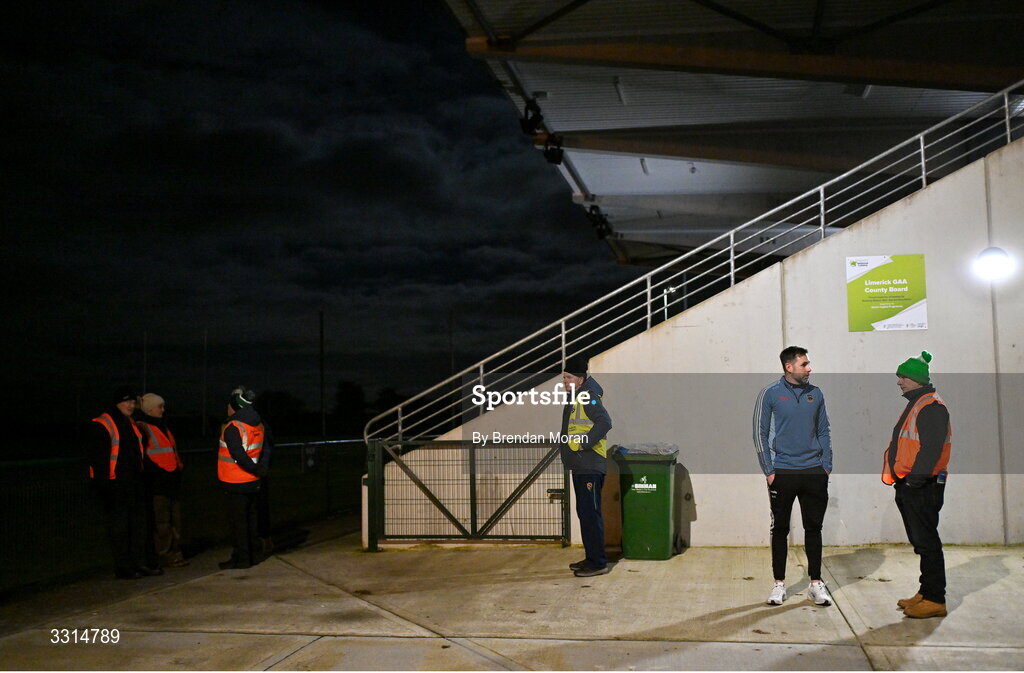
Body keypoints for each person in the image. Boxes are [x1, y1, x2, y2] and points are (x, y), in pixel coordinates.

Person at [754, 346, 833, 607]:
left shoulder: (816, 393)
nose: (809, 369)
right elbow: (759, 434)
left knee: (814, 528)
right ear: (789, 367)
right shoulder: (770, 394)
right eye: (804, 364)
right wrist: (769, 471)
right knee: (780, 529)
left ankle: (815, 583)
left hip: (813, 472)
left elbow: (824, 431)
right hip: (783, 472)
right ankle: (779, 585)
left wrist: (826, 466)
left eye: (809, 364)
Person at [883, 351, 951, 619]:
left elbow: (931, 449)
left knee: (927, 542)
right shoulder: (919, 402)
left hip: (922, 485)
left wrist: (915, 480)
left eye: (903, 377)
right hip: (912, 483)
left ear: (917, 379)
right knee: (922, 541)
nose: (899, 382)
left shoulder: (931, 406)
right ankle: (926, 592)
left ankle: (936, 599)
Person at [87, 386, 163, 579]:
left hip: (134, 484)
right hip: (116, 486)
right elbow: (98, 460)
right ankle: (125, 568)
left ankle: (140, 564)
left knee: (138, 527)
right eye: (126, 401)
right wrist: (103, 487)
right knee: (120, 530)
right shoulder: (103, 424)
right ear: (117, 403)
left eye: (132, 402)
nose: (131, 405)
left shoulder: (131, 423)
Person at [559, 357, 613, 578]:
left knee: (590, 513)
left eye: (568, 377)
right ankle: (592, 558)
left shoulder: (588, 397)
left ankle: (598, 562)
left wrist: (584, 443)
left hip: (589, 464)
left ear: (580, 379)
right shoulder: (577, 396)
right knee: (585, 513)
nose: (564, 381)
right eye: (563, 377)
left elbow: (605, 422)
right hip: (581, 465)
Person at [218, 387, 272, 569]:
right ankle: (254, 554)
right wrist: (260, 469)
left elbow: (238, 455)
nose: (227, 408)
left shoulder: (233, 427)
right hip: (253, 481)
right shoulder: (258, 424)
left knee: (238, 523)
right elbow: (266, 449)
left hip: (235, 481)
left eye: (229, 405)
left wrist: (253, 469)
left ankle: (241, 558)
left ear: (235, 408)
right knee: (251, 519)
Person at [136, 393, 188, 568]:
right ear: (150, 409)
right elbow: (145, 457)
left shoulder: (163, 427)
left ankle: (174, 552)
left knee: (175, 521)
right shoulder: (143, 428)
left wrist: (178, 468)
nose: (163, 410)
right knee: (162, 523)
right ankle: (165, 555)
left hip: (170, 482)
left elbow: (172, 452)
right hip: (158, 484)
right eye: (160, 407)